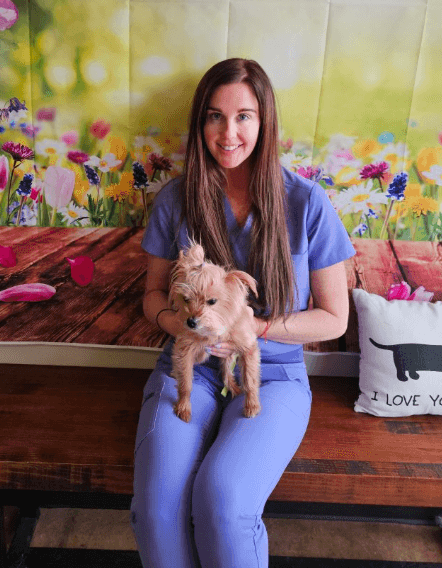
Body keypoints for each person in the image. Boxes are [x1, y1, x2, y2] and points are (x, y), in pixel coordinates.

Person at [130, 58, 355, 568]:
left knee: (224, 504)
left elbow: (334, 318)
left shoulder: (307, 203)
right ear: (200, 122)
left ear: (264, 121)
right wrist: (179, 324)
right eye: (215, 116)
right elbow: (152, 295)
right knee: (156, 511)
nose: (228, 133)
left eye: (243, 116)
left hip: (270, 375)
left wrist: (258, 327)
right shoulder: (176, 199)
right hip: (189, 370)